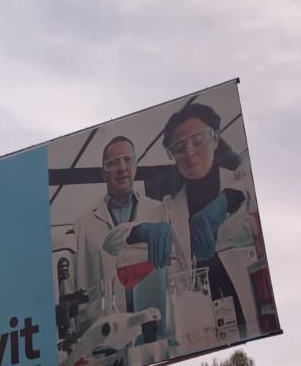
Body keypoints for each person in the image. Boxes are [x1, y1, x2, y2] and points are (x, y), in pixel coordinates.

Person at [104, 103, 254, 341]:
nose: (190, 153)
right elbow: (111, 243)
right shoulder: (168, 208)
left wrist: (228, 199)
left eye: (198, 141)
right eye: (180, 148)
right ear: (173, 155)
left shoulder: (243, 184)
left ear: (215, 139)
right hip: (198, 328)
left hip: (250, 316)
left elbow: (250, 187)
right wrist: (141, 231)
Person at [73, 135, 167, 334]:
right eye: (113, 163)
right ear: (103, 173)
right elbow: (82, 285)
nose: (122, 167)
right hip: (109, 330)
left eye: (127, 160)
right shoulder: (84, 225)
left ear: (136, 165)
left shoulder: (159, 211)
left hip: (154, 323)